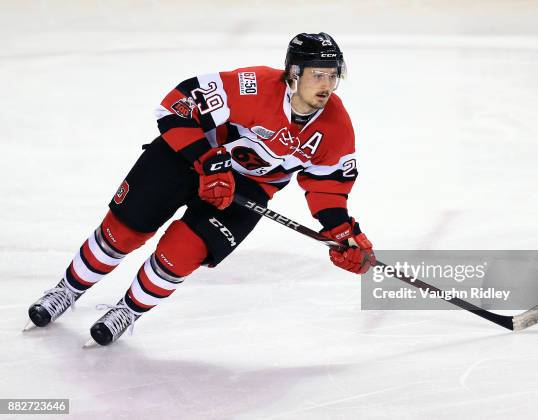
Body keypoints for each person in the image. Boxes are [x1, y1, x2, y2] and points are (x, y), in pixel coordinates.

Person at [25, 32, 376, 346]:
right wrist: (207, 159)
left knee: (182, 253)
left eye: (333, 75)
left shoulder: (336, 126)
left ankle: (127, 312)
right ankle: (66, 291)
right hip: (189, 156)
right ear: (294, 74)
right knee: (122, 233)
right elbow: (174, 107)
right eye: (318, 74)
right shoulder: (252, 86)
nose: (327, 85)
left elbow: (327, 187)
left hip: (249, 187)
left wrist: (341, 232)